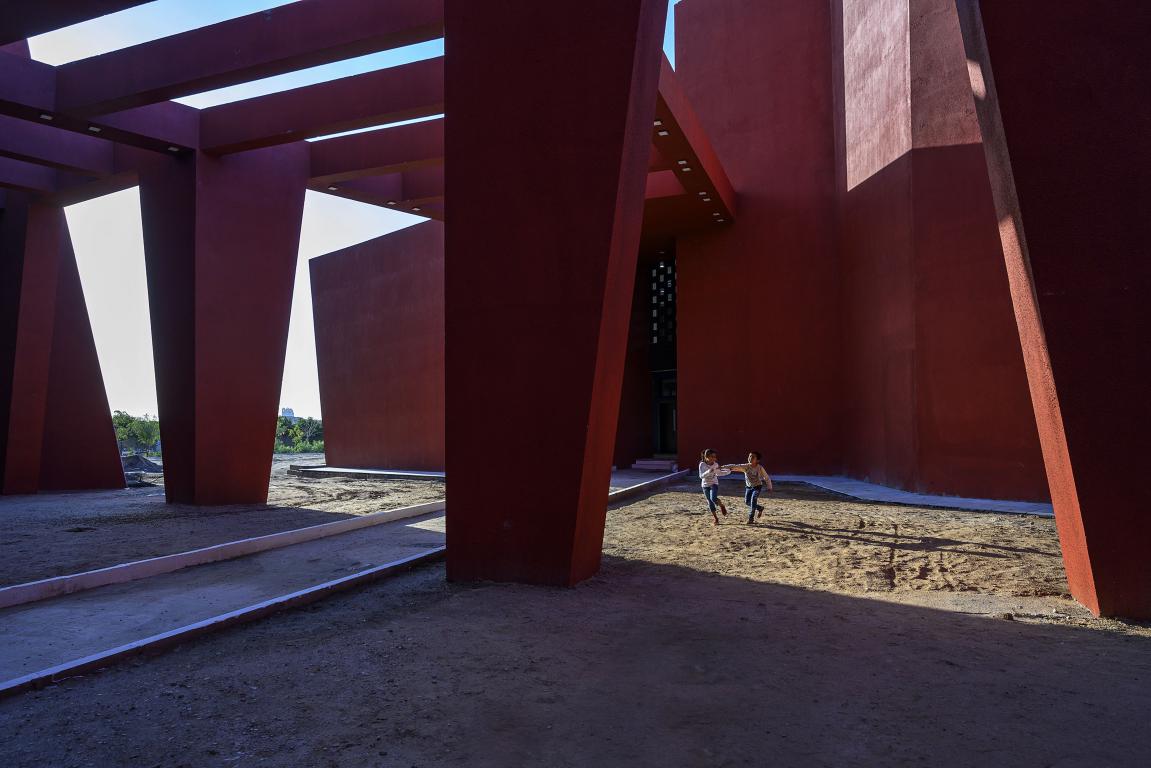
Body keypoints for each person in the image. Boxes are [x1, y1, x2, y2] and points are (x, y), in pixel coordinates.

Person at [727, 451, 773, 524]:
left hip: (757, 486)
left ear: (757, 460)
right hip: (748, 487)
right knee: (747, 502)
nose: (750, 458)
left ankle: (751, 518)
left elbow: (766, 477)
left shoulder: (760, 468)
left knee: (753, 500)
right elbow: (735, 466)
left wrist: (769, 487)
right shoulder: (746, 466)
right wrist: (723, 467)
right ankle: (760, 508)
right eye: (749, 456)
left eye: (753, 457)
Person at [698, 448, 731, 525]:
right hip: (705, 485)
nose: (714, 458)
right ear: (707, 457)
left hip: (714, 483)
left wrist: (728, 471)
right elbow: (701, 476)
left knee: (713, 498)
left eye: (715, 457)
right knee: (710, 501)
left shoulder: (715, 464)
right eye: (712, 456)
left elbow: (719, 473)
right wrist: (708, 471)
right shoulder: (702, 464)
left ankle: (721, 505)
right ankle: (716, 518)